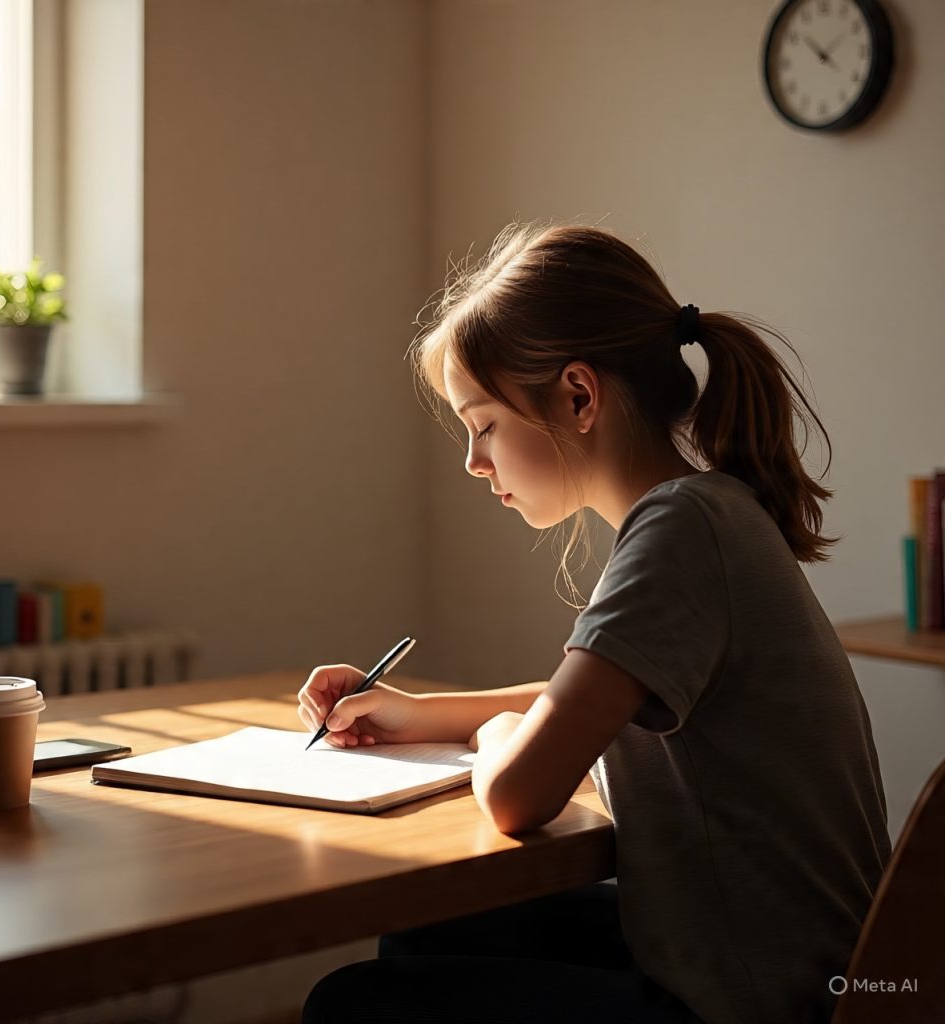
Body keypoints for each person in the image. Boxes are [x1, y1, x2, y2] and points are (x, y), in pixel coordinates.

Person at [296, 222, 891, 1024]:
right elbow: (598, 705)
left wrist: (497, 732)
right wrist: (419, 714)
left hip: (759, 999)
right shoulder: (712, 512)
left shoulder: (680, 529)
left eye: (484, 426)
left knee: (353, 1003)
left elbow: (516, 795)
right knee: (429, 935)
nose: (474, 462)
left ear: (578, 396)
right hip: (797, 965)